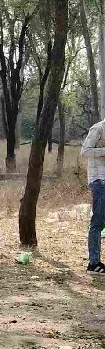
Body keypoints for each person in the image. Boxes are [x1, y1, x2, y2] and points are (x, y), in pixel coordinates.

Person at [80, 118, 105, 275]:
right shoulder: (98, 128)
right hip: (99, 180)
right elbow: (85, 151)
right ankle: (93, 264)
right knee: (98, 222)